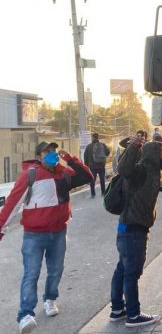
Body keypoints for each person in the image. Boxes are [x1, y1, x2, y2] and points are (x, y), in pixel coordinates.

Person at [0, 141, 93, 334]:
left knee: (56, 270)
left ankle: (50, 299)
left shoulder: (64, 173)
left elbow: (87, 176)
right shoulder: (30, 175)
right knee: (31, 273)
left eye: (54, 151)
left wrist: (70, 159)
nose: (52, 154)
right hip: (34, 235)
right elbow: (11, 205)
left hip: (59, 231)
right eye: (47, 152)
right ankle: (25, 314)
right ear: (39, 156)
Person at [109, 135, 162, 328]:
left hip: (130, 228)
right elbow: (123, 169)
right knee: (131, 272)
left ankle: (117, 309)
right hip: (133, 230)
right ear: (153, 153)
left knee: (123, 269)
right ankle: (133, 315)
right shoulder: (141, 171)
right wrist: (133, 147)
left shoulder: (154, 172)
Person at [84, 133, 110, 197]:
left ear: (92, 137)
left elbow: (85, 156)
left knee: (92, 179)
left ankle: (93, 194)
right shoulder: (103, 145)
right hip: (101, 165)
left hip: (92, 166)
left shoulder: (89, 146)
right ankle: (103, 193)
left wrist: (86, 165)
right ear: (98, 137)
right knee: (102, 179)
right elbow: (107, 153)